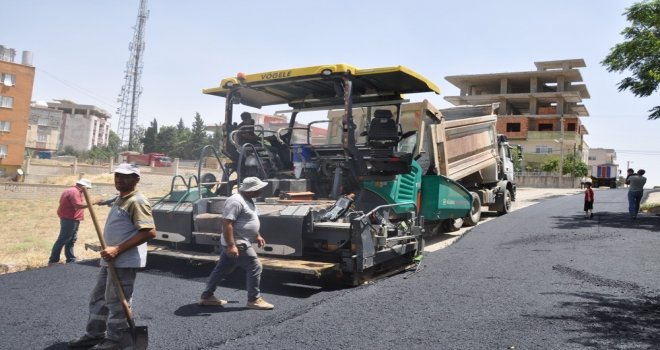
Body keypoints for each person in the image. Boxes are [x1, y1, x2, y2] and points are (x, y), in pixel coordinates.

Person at [68, 163, 157, 350]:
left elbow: (149, 232)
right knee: (98, 298)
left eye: (125, 176)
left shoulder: (137, 201)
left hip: (124, 260)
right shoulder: (121, 198)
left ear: (136, 179)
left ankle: (115, 340)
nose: (119, 179)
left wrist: (117, 249)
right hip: (111, 259)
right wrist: (95, 200)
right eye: (117, 175)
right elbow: (106, 201)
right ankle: (94, 335)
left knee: (117, 302)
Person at [199, 176, 274, 310]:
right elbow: (227, 223)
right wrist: (231, 245)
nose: (261, 191)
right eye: (259, 189)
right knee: (255, 266)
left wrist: (257, 235)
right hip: (238, 242)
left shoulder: (248, 200)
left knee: (221, 269)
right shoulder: (235, 201)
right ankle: (254, 299)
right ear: (251, 190)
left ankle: (207, 296)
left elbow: (248, 219)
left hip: (239, 241)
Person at [48, 178, 92, 266]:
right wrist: (93, 203)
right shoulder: (74, 192)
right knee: (63, 239)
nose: (87, 190)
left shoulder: (72, 190)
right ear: (83, 186)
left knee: (71, 240)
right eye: (87, 188)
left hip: (72, 218)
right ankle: (53, 260)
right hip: (69, 219)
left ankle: (71, 259)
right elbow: (78, 205)